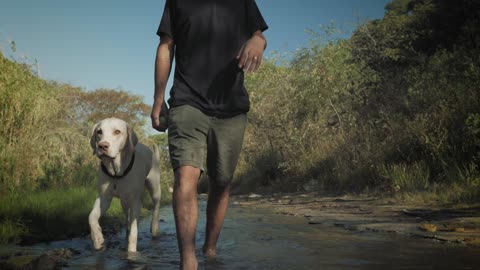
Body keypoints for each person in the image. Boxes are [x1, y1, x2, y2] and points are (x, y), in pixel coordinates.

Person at [151, 0, 268, 269]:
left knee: (222, 182)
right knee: (185, 174)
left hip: (232, 106)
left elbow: (258, 35)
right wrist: (158, 97)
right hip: (186, 100)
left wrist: (258, 42)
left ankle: (210, 249)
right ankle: (188, 260)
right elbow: (166, 46)